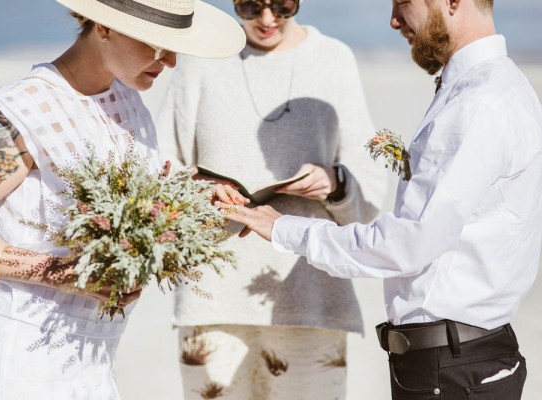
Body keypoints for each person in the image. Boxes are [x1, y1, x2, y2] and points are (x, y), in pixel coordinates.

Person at [227, 0, 542, 399]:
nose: (393, 20)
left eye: (402, 3)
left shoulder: (478, 102)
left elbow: (408, 243)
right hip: (465, 361)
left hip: (452, 371)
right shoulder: (499, 85)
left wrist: (284, 228)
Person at [0, 0, 245, 398]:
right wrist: (67, 275)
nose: (170, 61)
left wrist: (195, 203)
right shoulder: (24, 108)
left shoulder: (128, 102)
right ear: (103, 27)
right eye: (156, 44)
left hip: (96, 360)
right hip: (18, 360)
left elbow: (130, 212)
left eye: (175, 46)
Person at [156, 0, 387, 398]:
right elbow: (159, 168)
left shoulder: (333, 59)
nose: (266, 20)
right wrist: (199, 192)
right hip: (210, 301)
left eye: (282, 5)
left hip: (313, 299)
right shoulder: (200, 60)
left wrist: (334, 183)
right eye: (250, 6)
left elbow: (370, 190)